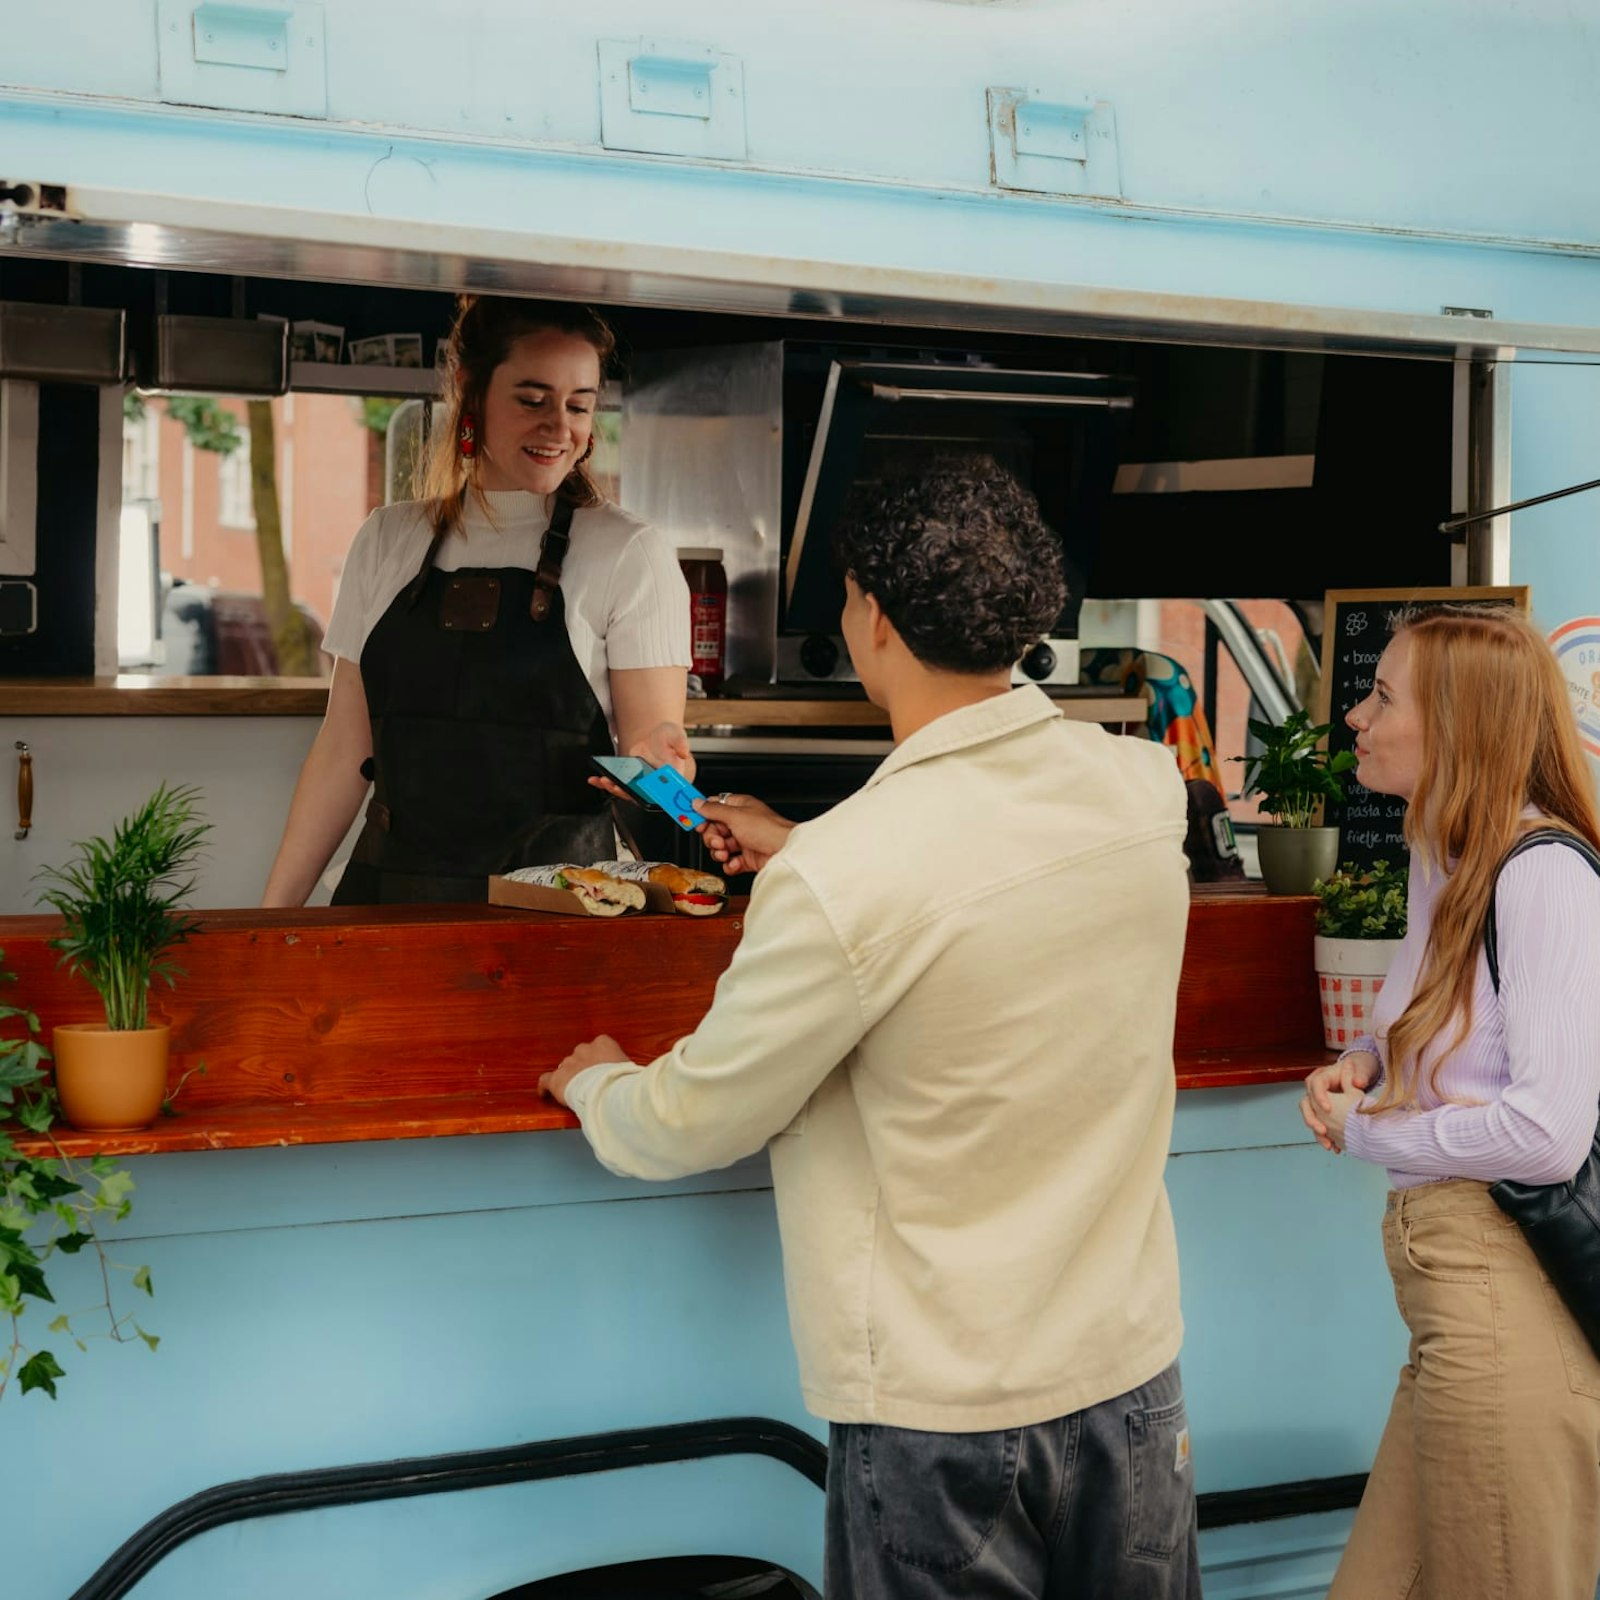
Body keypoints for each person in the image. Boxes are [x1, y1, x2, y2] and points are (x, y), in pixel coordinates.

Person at [542, 454, 1202, 1599]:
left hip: (942, 1418)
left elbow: (694, 1118)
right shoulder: (1140, 792)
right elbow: (992, 870)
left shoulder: (856, 874)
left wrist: (596, 1084)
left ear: (875, 619)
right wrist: (807, 849)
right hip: (1132, 1381)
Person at [1300, 605, 1600, 1600]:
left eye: (1382, 695)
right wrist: (1360, 1064)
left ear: (1457, 724)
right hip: (1447, 1301)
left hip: (1498, 1296)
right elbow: (1425, 1032)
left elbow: (1545, 1135)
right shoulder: (1445, 855)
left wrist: (1373, 1132)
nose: (1354, 715)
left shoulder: (1542, 872)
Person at [262, 295, 692, 906]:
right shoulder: (388, 537)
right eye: (532, 399)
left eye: (579, 405)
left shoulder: (631, 553)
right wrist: (271, 918)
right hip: (390, 899)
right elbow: (342, 750)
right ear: (470, 390)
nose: (559, 427)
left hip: (557, 915)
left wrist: (663, 777)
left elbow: (656, 763)